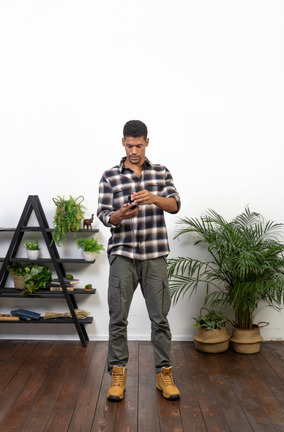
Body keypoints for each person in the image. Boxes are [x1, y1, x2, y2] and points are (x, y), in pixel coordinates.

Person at [97, 120, 181, 401]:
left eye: (139, 145)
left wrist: (154, 198)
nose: (134, 150)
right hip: (123, 254)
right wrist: (120, 215)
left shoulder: (161, 172)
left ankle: (164, 374)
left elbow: (175, 205)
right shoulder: (110, 175)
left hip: (154, 255)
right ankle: (118, 375)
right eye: (129, 145)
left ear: (147, 142)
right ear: (123, 142)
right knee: (117, 317)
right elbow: (104, 215)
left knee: (160, 318)